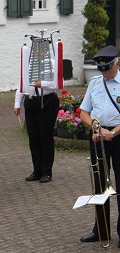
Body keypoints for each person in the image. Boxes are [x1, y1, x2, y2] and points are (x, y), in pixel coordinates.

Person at [79, 45, 120, 246]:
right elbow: (84, 112)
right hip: (98, 137)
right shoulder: (95, 83)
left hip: (118, 136)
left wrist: (112, 132)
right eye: (101, 69)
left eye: (108, 69)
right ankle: (101, 229)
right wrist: (96, 129)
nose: (104, 72)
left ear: (117, 62)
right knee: (100, 185)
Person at [14, 49, 59, 184]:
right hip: (31, 101)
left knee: (45, 138)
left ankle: (46, 171)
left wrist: (43, 84)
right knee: (33, 139)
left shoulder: (52, 64)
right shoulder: (29, 65)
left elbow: (58, 83)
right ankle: (37, 170)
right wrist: (17, 103)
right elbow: (21, 84)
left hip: (47, 102)